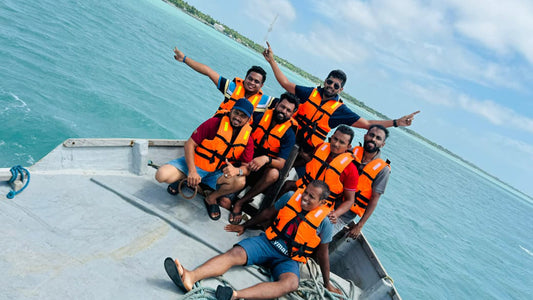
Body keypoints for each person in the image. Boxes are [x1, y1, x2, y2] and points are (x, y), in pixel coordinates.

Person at [164, 180, 341, 299]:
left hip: (289, 258)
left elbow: (323, 254)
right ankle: (190, 277)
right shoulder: (290, 198)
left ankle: (235, 295)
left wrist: (327, 283)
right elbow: (267, 213)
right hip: (268, 244)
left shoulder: (325, 224)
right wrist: (245, 226)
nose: (305, 198)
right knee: (234, 253)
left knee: (291, 284)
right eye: (306, 193)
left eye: (311, 197)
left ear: (323, 202)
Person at [262, 42, 419, 157]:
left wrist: (397, 122)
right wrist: (272, 61)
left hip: (307, 152)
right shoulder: (309, 93)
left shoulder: (339, 110)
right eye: (329, 82)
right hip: (286, 138)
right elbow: (285, 83)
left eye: (335, 85)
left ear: (340, 90)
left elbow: (367, 124)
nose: (331, 86)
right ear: (325, 81)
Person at [155, 98, 255, 220]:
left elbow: (247, 168)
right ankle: (184, 179)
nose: (238, 118)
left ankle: (211, 198)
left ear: (248, 120)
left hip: (216, 173)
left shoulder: (248, 139)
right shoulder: (214, 123)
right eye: (236, 113)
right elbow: (189, 144)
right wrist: (192, 171)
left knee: (241, 181)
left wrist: (236, 171)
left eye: (243, 116)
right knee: (161, 175)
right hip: (195, 165)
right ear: (231, 111)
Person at [223, 92, 299, 224]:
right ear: (277, 104)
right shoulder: (259, 116)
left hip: (262, 171)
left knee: (274, 173)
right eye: (282, 107)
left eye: (288, 110)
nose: (283, 111)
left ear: (292, 113)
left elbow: (281, 163)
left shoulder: (289, 134)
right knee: (224, 203)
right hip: (243, 163)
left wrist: (265, 159)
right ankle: (228, 194)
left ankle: (240, 203)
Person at [280, 126, 359, 218]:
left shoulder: (351, 169)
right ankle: (274, 216)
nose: (336, 144)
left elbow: (349, 200)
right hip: (304, 188)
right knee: (288, 185)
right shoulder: (320, 147)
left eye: (341, 142)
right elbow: (312, 161)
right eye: (335, 139)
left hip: (322, 202)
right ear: (331, 137)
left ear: (348, 146)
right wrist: (291, 166)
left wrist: (336, 214)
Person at [173, 46, 272, 114]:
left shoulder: (265, 101)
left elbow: (286, 96)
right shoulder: (232, 88)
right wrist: (184, 59)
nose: (252, 82)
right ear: (245, 78)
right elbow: (208, 71)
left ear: (261, 86)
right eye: (250, 79)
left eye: (256, 81)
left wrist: (271, 61)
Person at [333, 125, 391, 238]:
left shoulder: (382, 170)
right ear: (365, 136)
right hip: (328, 201)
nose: (373, 139)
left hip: (345, 214)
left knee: (319, 240)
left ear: (382, 144)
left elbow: (375, 198)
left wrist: (360, 224)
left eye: (378, 138)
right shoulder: (351, 151)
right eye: (371, 135)